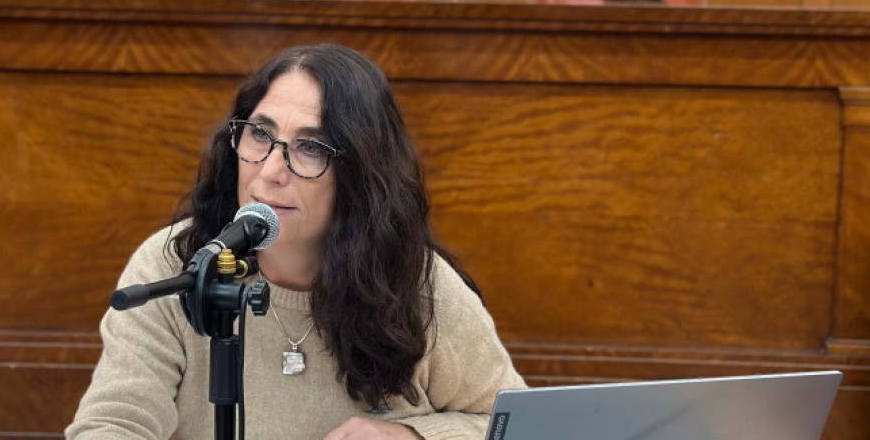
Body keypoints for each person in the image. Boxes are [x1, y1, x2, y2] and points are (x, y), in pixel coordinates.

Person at [66, 44, 525, 440]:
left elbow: (518, 425)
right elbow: (113, 423)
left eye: (311, 147)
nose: (269, 171)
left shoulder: (415, 282)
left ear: (361, 173)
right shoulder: (179, 264)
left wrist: (415, 435)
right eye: (260, 134)